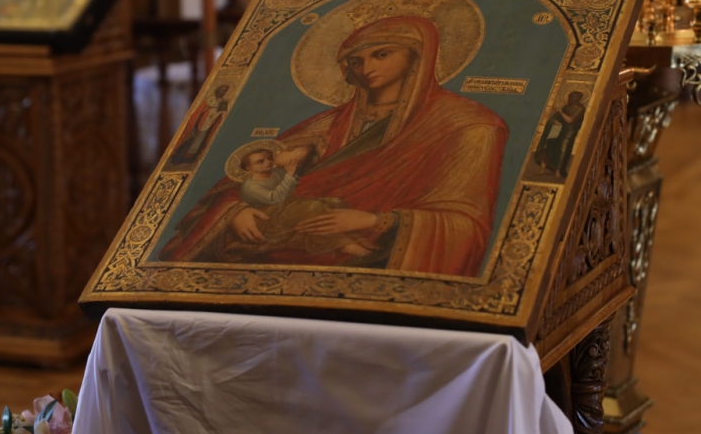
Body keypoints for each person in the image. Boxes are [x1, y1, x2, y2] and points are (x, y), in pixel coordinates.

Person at [159, 15, 509, 277]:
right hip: (281, 250)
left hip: (376, 259)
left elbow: (465, 224)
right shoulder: (326, 125)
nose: (367, 67)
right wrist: (235, 211)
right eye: (356, 61)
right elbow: (246, 178)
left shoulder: (470, 125)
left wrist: (376, 220)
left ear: (417, 55)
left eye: (382, 54)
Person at [230, 147, 375, 259]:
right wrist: (289, 175)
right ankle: (344, 244)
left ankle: (352, 236)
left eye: (268, 159)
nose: (267, 162)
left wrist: (290, 172)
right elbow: (275, 198)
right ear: (248, 168)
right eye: (260, 162)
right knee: (313, 209)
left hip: (286, 206)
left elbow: (292, 185)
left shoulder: (276, 173)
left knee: (334, 202)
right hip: (268, 218)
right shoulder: (251, 186)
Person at [169, 85, 230, 166]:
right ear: (218, 90)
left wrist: (221, 114)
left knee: (200, 140)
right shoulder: (210, 100)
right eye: (222, 90)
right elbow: (200, 109)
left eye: (225, 90)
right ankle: (179, 158)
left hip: (210, 123)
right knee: (191, 138)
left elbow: (222, 113)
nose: (223, 92)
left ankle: (190, 158)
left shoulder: (223, 102)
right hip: (201, 121)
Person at [534, 90, 586, 178]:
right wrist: (554, 121)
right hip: (557, 129)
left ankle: (558, 171)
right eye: (570, 96)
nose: (571, 99)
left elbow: (570, 120)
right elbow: (556, 118)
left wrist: (560, 112)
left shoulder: (580, 108)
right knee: (548, 146)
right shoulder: (565, 107)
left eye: (574, 97)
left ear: (578, 99)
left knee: (562, 150)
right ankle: (542, 169)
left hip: (568, 133)